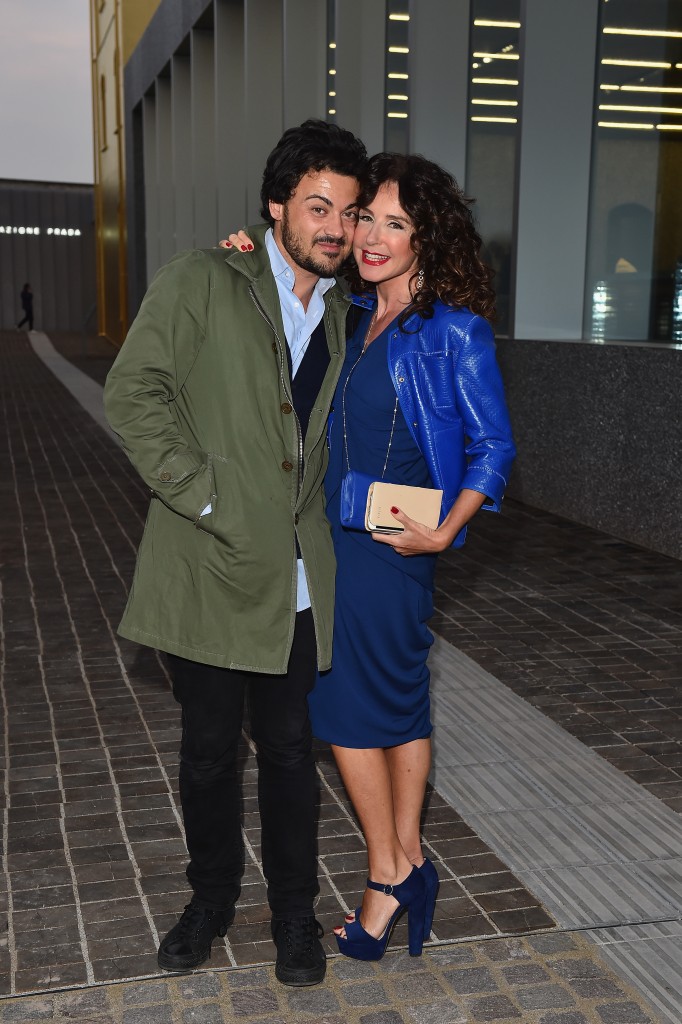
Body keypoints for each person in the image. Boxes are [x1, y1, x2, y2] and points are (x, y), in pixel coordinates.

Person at [221, 151, 515, 962]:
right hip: (326, 537)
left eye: (396, 223)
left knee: (354, 710)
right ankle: (406, 866)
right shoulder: (348, 314)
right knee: (389, 708)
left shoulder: (453, 331)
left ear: (428, 237)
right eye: (364, 219)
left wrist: (447, 531)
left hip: (390, 548)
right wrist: (247, 247)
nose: (372, 237)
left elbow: (494, 446)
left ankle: (389, 871)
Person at [103, 119, 367, 987]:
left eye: (348, 211)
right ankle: (210, 900)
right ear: (275, 206)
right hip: (213, 567)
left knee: (290, 751)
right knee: (211, 750)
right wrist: (204, 492)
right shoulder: (202, 280)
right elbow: (135, 390)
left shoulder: (342, 315)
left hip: (294, 579)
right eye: (317, 206)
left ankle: (294, 916)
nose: (334, 226)